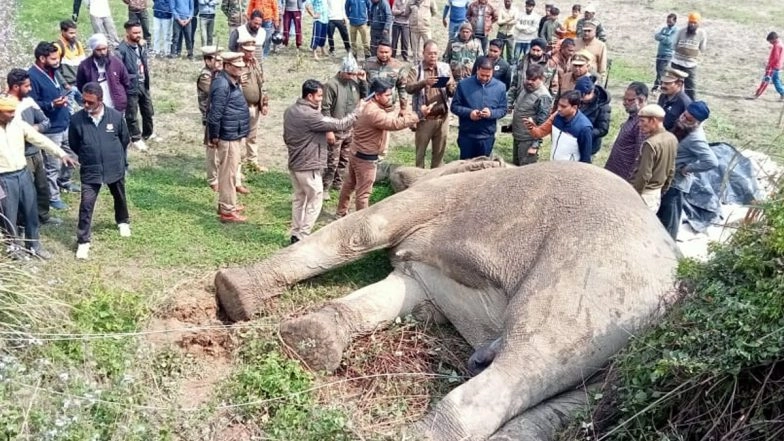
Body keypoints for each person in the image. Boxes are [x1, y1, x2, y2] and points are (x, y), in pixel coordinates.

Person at [0, 96, 77, 260]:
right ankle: (14, 248)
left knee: (31, 210)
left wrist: (61, 153)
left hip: (22, 173)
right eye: (9, 112)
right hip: (3, 179)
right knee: (9, 214)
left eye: (14, 111)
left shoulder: (18, 124)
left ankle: (34, 246)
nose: (13, 114)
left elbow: (39, 139)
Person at [284, 79, 361, 243]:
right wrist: (357, 112)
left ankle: (295, 232)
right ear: (310, 96)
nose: (321, 99)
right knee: (316, 197)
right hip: (308, 165)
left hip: (295, 162)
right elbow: (340, 123)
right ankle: (303, 235)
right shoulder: (311, 116)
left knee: (299, 198)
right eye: (319, 96)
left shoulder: (290, 110)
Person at [336, 78, 424, 217]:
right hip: (366, 157)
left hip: (356, 151)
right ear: (377, 95)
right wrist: (418, 115)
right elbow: (394, 124)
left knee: (349, 184)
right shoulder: (374, 112)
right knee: (364, 193)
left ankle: (341, 212)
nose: (390, 98)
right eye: (387, 95)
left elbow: (387, 111)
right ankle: (362, 221)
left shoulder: (365, 104)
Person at [68, 83, 131, 260]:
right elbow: (74, 144)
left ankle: (123, 221)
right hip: (91, 170)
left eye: (90, 102)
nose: (85, 105)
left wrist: (115, 157)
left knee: (119, 195)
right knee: (86, 205)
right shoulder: (76, 120)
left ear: (100, 101)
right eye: (83, 101)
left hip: (113, 167)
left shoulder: (116, 117)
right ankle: (83, 241)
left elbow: (124, 139)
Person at [28, 42, 78, 210]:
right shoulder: (32, 77)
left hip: (64, 122)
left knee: (72, 154)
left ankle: (65, 182)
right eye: (54, 58)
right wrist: (51, 105)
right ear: (42, 58)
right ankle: (53, 196)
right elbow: (33, 105)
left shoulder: (54, 70)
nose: (57, 61)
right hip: (50, 129)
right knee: (53, 165)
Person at [656, 101, 717, 239]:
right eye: (684, 115)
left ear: (697, 122)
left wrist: (688, 168)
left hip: (675, 185)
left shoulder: (696, 138)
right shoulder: (683, 126)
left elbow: (712, 161)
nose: (683, 119)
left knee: (668, 224)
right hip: (665, 178)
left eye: (689, 119)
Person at [6, 69, 59, 226]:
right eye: (27, 86)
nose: (30, 89)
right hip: (19, 156)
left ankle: (43, 215)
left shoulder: (29, 101)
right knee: (24, 191)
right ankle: (23, 222)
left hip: (35, 152)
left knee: (41, 187)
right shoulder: (6, 106)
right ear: (16, 86)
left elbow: (45, 122)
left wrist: (31, 130)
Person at [207, 52, 251, 223]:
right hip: (228, 135)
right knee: (228, 174)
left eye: (241, 66)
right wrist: (215, 136)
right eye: (236, 66)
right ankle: (227, 210)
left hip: (234, 132)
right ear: (226, 66)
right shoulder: (223, 85)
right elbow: (215, 113)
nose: (240, 69)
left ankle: (227, 203)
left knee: (231, 172)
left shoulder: (231, 82)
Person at [321, 55, 368, 197]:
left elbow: (364, 97)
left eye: (353, 73)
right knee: (332, 160)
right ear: (341, 71)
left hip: (350, 128)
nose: (351, 76)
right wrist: (328, 130)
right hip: (335, 128)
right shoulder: (331, 85)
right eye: (349, 73)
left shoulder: (354, 83)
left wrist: (363, 81)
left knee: (345, 158)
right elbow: (325, 109)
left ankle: (338, 182)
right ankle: (325, 187)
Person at [406, 40, 456, 168]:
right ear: (423, 53)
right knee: (420, 153)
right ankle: (418, 179)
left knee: (439, 153)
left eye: (435, 53)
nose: (433, 56)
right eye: (430, 54)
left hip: (442, 117)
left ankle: (435, 181)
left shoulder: (444, 68)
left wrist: (450, 84)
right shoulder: (415, 70)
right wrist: (424, 82)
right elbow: (409, 88)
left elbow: (452, 92)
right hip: (424, 119)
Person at [450, 57, 507, 159]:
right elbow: (454, 107)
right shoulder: (463, 85)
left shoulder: (500, 87)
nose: (484, 78)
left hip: (487, 136)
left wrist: (491, 113)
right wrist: (469, 113)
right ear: (477, 70)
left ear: (493, 72)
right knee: (465, 168)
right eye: (482, 75)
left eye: (488, 76)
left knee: (483, 169)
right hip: (467, 135)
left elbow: (503, 109)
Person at [629, 104, 678, 212]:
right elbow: (672, 169)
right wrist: (663, 189)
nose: (639, 125)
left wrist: (634, 196)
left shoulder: (650, 144)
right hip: (656, 194)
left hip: (644, 195)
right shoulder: (672, 139)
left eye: (642, 121)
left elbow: (644, 175)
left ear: (653, 120)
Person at [116, 20, 157, 151]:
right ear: (127, 32)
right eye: (135, 32)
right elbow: (118, 72)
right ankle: (135, 138)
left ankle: (148, 133)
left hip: (143, 84)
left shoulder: (141, 45)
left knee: (148, 111)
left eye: (139, 32)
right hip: (130, 86)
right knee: (132, 114)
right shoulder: (121, 50)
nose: (138, 35)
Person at [525, 89, 593, 163]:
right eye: (558, 105)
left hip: (570, 170)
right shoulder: (556, 116)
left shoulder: (584, 128)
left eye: (563, 106)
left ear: (574, 107)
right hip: (554, 164)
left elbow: (586, 159)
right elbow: (539, 133)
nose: (559, 109)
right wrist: (531, 127)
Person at [237, 36, 269, 175]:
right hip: (240, 108)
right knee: (237, 137)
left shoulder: (255, 63)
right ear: (241, 50)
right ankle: (236, 166)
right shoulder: (236, 66)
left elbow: (263, 84)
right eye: (247, 51)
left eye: (252, 51)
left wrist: (265, 103)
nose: (251, 54)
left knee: (253, 136)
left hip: (254, 107)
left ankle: (252, 162)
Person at [76, 34, 131, 113]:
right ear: (93, 50)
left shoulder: (116, 62)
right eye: (98, 50)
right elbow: (81, 85)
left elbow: (126, 81)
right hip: (96, 105)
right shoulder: (85, 66)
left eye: (104, 49)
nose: (102, 52)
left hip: (116, 104)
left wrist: (121, 96)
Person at [509, 63, 552, 165]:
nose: (529, 81)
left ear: (541, 79)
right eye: (527, 78)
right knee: (516, 167)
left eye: (533, 80)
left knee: (525, 172)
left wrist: (535, 145)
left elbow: (542, 124)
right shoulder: (527, 88)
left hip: (528, 140)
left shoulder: (543, 96)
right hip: (518, 136)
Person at [605, 82, 648, 181]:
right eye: (624, 99)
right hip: (614, 172)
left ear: (641, 100)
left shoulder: (641, 123)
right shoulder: (633, 116)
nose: (625, 103)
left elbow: (639, 155)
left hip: (623, 178)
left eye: (629, 100)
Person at [196, 46, 223, 191]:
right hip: (210, 117)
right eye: (216, 60)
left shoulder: (219, 74)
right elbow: (216, 92)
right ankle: (213, 178)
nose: (219, 63)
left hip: (222, 116)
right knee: (212, 149)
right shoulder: (205, 76)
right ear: (207, 60)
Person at [670, 12, 706, 100]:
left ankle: (691, 107)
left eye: (694, 23)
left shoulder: (702, 34)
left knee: (690, 88)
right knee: (672, 85)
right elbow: (673, 45)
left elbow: (702, 49)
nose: (692, 25)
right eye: (690, 22)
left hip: (690, 65)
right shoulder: (681, 31)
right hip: (677, 63)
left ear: (698, 23)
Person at [362, 41, 408, 109]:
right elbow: (362, 84)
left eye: (386, 52)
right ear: (377, 51)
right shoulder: (368, 63)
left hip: (389, 106)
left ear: (391, 52)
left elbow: (402, 88)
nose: (384, 55)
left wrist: (403, 108)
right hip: (371, 105)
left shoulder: (398, 66)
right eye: (381, 52)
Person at [574, 75, 610, 155]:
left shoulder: (603, 106)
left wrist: (586, 133)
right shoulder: (576, 98)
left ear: (592, 91)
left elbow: (603, 129)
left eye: (584, 96)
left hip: (589, 144)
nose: (581, 99)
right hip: (572, 142)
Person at [54, 20, 87, 90]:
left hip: (81, 83)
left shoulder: (78, 44)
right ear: (63, 32)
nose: (74, 35)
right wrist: (65, 84)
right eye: (71, 33)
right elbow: (55, 69)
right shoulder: (57, 47)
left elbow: (84, 64)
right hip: (69, 86)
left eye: (75, 33)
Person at [657, 67, 691, 131]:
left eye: (667, 83)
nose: (663, 86)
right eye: (662, 82)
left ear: (679, 84)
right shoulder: (663, 96)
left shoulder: (684, 103)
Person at [652, 13, 677, 93]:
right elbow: (656, 36)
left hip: (667, 54)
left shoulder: (675, 31)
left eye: (670, 22)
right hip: (660, 53)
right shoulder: (664, 29)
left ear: (675, 21)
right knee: (658, 70)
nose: (668, 23)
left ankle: (656, 87)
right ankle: (661, 86)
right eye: (667, 21)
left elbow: (669, 41)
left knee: (661, 71)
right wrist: (663, 37)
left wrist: (661, 37)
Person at [757, 32, 784, 100]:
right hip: (778, 66)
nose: (770, 43)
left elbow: (775, 58)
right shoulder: (780, 44)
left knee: (766, 80)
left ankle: (758, 93)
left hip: (773, 67)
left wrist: (769, 65)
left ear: (774, 39)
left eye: (770, 41)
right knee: (776, 80)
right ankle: (782, 93)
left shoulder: (777, 46)